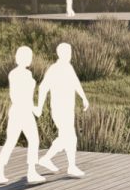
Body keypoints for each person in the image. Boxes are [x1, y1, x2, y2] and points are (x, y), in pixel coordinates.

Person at [36, 41, 90, 178]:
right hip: (59, 110)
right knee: (70, 137)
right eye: (69, 53)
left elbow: (75, 82)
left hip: (68, 108)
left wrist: (83, 97)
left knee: (65, 137)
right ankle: (71, 166)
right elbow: (43, 87)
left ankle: (46, 159)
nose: (71, 55)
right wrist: (40, 107)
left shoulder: (68, 67)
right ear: (62, 54)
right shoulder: (54, 69)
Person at [0, 47, 45, 184]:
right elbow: (16, 96)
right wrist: (33, 109)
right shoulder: (16, 74)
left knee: (18, 141)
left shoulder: (26, 74)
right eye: (29, 56)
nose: (30, 59)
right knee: (28, 140)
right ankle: (30, 172)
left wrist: (33, 107)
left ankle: (1, 169)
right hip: (20, 111)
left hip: (24, 111)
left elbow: (27, 96)